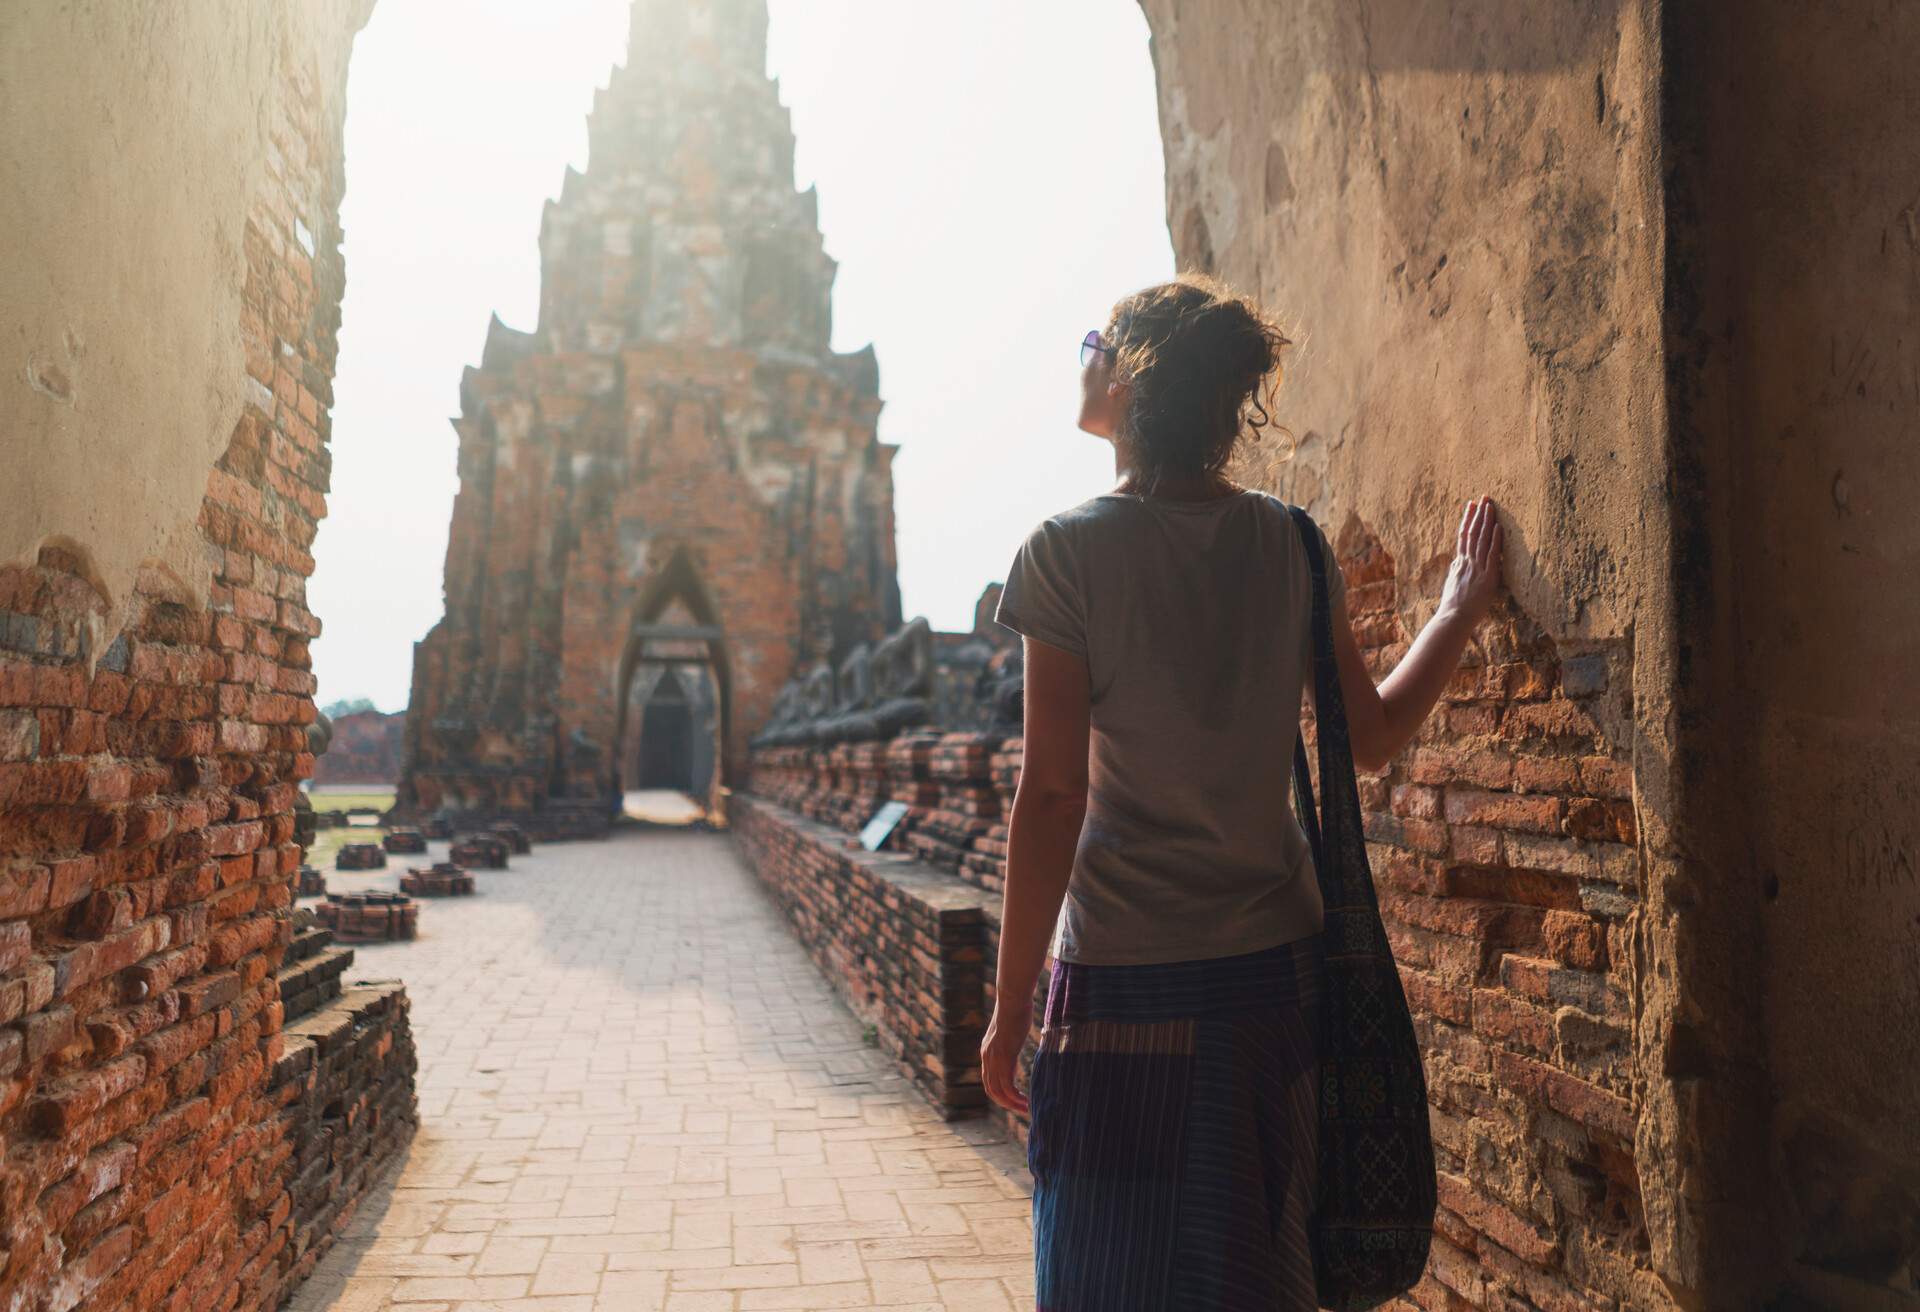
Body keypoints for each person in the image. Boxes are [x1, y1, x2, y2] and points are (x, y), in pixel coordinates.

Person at [982, 273, 1504, 1310]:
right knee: (1255, 1274)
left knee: (1107, 1276)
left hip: (1127, 984)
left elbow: (1050, 800)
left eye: (1096, 339)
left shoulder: (1064, 552)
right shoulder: (1289, 542)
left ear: (1129, 377)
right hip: (1275, 981)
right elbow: (1374, 736)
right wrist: (1453, 614)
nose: (1081, 354)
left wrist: (1006, 1010)